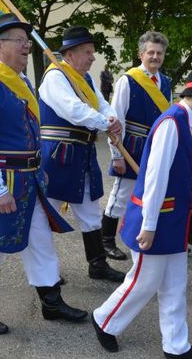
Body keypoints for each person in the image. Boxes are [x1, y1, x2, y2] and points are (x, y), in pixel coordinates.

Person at [0, 13, 87, 335]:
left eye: (27, 41)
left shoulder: (21, 81)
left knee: (40, 241)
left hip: (29, 180)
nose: (27, 45)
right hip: (1, 181)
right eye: (20, 40)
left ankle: (51, 303)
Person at [92, 68, 192, 359]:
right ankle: (104, 319)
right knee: (144, 280)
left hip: (172, 221)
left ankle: (176, 346)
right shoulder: (172, 123)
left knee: (175, 285)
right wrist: (150, 225)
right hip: (156, 220)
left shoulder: (185, 122)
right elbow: (154, 179)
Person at [39, 25, 125, 282]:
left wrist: (112, 118)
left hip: (82, 153)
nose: (92, 57)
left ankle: (97, 264)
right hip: (58, 156)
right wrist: (105, 123)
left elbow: (102, 103)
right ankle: (47, 272)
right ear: (71, 53)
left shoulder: (85, 79)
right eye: (87, 52)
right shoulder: (55, 77)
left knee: (89, 210)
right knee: (47, 215)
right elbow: (73, 110)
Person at [103, 30, 172, 261]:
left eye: (159, 53)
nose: (155, 56)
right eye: (150, 52)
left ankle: (142, 235)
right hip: (131, 145)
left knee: (151, 193)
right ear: (141, 54)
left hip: (154, 147)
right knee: (122, 194)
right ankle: (106, 241)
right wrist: (117, 154)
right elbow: (116, 118)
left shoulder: (167, 83)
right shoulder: (128, 80)